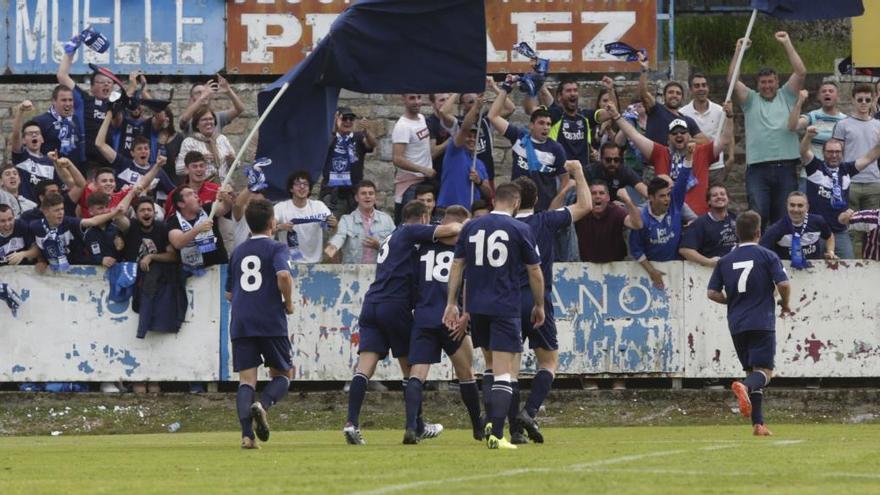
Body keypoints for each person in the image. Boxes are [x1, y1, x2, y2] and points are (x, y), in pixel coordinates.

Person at [343, 201, 460, 445]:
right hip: (395, 305)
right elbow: (449, 231)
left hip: (371, 303)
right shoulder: (409, 231)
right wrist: (470, 225)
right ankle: (416, 426)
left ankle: (351, 423)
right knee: (411, 369)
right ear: (424, 217)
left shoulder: (392, 237)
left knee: (364, 367)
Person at [443, 183, 545, 450]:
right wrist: (539, 304)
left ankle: (490, 420)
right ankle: (497, 434)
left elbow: (457, 266)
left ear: (493, 200)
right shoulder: (520, 229)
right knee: (504, 372)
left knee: (489, 367)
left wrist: (452, 303)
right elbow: (534, 271)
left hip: (477, 308)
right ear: (515, 202)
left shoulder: (471, 226)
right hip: (504, 307)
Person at [509, 162, 591, 445]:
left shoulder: (502, 226)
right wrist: (578, 173)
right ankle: (529, 412)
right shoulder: (544, 220)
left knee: (509, 368)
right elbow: (585, 206)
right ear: (536, 200)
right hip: (536, 299)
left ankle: (515, 431)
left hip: (507, 300)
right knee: (549, 361)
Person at [707, 210, 792, 437]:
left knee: (752, 371)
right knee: (764, 372)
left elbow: (712, 292)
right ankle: (745, 387)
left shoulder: (725, 261)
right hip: (762, 321)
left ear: (736, 233)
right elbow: (783, 283)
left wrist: (731, 300)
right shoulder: (767, 255)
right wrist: (785, 303)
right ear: (758, 232)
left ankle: (758, 424)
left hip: (737, 323)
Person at [403, 205, 482, 444]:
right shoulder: (464, 251)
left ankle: (410, 428)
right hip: (451, 319)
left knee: (417, 375)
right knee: (466, 373)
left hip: (425, 317)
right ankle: (478, 427)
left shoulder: (423, 247)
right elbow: (469, 285)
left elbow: (412, 283)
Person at [225, 198, 295, 450]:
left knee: (246, 380)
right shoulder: (276, 248)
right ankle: (262, 405)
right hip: (269, 320)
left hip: (241, 320)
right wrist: (288, 302)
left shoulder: (238, 252)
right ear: (271, 223)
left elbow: (230, 294)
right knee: (285, 374)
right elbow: (284, 275)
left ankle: (247, 437)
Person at [728, 32, 807, 228]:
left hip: (785, 166)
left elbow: (801, 72)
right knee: (758, 215)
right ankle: (759, 254)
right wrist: (739, 51)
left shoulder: (787, 95)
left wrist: (787, 43)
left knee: (784, 217)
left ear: (777, 82)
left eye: (771, 81)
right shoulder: (750, 100)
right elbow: (731, 81)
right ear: (757, 84)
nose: (767, 86)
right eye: (763, 82)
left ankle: (781, 257)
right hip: (757, 168)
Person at [612, 102, 735, 216]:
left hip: (698, 217)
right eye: (674, 133)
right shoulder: (660, 153)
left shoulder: (702, 151)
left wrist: (729, 117)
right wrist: (617, 116)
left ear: (689, 136)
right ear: (668, 138)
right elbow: (634, 135)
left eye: (683, 132)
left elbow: (724, 140)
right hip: (668, 218)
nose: (679, 135)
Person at [488, 75, 569, 211]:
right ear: (531, 125)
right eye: (541, 123)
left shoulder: (556, 148)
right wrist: (505, 89)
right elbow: (492, 116)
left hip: (542, 212)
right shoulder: (519, 137)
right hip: (517, 209)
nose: (546, 127)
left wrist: (554, 207)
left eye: (549, 124)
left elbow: (565, 181)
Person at [800, 127, 880, 259]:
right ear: (823, 152)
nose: (834, 155)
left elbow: (869, 158)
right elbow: (803, 151)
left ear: (842, 153)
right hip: (816, 231)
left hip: (840, 230)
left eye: (837, 152)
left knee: (848, 265)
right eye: (830, 152)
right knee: (813, 268)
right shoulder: (815, 167)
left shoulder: (846, 169)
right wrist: (808, 136)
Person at [118, 197, 182, 344]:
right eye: (142, 210)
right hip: (131, 276)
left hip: (153, 278)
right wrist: (133, 193)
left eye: (149, 210)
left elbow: (173, 256)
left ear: (154, 212)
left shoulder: (162, 228)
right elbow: (118, 215)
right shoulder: (130, 226)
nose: (146, 213)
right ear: (136, 213)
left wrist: (152, 256)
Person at [629, 146, 694, 289]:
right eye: (662, 196)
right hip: (650, 272)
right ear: (651, 198)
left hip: (678, 267)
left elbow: (683, 178)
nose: (667, 199)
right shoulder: (642, 218)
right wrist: (652, 271)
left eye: (668, 195)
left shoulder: (675, 205)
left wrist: (689, 156)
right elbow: (636, 250)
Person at [832, 84, 880, 258]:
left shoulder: (878, 124)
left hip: (874, 182)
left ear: (873, 100)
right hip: (849, 183)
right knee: (850, 230)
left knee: (873, 231)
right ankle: (850, 269)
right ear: (852, 100)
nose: (863, 103)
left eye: (867, 99)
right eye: (860, 99)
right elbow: (835, 155)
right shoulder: (843, 124)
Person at [29, 192, 126, 274]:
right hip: (51, 273)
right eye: (56, 210)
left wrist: (114, 213)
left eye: (62, 209)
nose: (61, 213)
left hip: (74, 271)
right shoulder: (35, 226)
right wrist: (41, 260)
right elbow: (36, 245)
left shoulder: (69, 222)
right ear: (45, 212)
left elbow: (93, 222)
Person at [96, 110, 175, 203]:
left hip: (147, 210)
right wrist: (109, 113)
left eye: (146, 149)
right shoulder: (123, 163)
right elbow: (100, 144)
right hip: (123, 207)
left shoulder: (157, 170)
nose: (143, 151)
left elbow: (174, 192)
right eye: (139, 149)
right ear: (132, 153)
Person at [57, 47, 115, 167]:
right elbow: (62, 76)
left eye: (109, 82)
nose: (106, 84)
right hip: (85, 162)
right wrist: (71, 51)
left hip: (109, 164)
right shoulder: (84, 99)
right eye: (101, 82)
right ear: (92, 87)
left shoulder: (116, 105)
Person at [788, 83, 847, 191]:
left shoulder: (845, 121)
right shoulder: (813, 116)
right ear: (819, 97)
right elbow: (793, 126)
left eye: (831, 91)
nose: (827, 93)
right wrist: (799, 102)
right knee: (804, 208)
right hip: (810, 176)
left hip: (834, 177)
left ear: (838, 96)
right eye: (823, 91)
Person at [637, 53, 706, 145]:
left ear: (682, 98)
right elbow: (643, 93)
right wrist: (644, 70)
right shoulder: (656, 110)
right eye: (670, 92)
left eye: (678, 93)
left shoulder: (688, 121)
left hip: (675, 159)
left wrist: (688, 140)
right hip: (654, 158)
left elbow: (705, 142)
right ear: (663, 96)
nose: (674, 95)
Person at [320, 107, 376, 219]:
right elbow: (323, 148)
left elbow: (371, 144)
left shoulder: (358, 137)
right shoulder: (329, 137)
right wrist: (335, 129)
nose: (348, 121)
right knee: (332, 229)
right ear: (337, 120)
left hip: (354, 193)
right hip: (333, 193)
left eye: (351, 119)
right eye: (344, 118)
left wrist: (367, 132)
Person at [435, 96, 491, 209]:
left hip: (469, 213)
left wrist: (479, 181)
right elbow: (465, 129)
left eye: (475, 137)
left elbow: (489, 193)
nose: (472, 139)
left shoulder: (479, 163)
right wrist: (476, 107)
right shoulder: (455, 150)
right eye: (469, 136)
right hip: (449, 209)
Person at [681, 73, 734, 185]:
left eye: (704, 85)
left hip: (716, 166)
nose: (701, 89)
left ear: (708, 88)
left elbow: (728, 134)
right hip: (693, 166)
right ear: (690, 89)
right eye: (697, 86)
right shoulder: (682, 113)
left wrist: (731, 156)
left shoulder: (720, 111)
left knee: (716, 200)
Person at [324, 181, 395, 264]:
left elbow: (396, 247)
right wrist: (330, 251)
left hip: (380, 273)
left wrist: (379, 246)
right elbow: (338, 238)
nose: (367, 196)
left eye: (371, 193)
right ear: (356, 198)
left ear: (375, 197)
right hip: (353, 273)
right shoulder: (346, 220)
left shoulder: (386, 219)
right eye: (363, 193)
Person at [274, 171, 336, 264]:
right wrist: (280, 227)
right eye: (298, 184)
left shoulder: (319, 206)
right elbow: (267, 229)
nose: (302, 187)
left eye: (305, 184)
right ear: (291, 189)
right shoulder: (280, 207)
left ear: (309, 189)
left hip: (315, 263)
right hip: (289, 263)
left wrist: (335, 225)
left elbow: (333, 229)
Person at [167, 185, 231, 275]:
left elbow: (225, 208)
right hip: (192, 273)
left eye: (195, 193)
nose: (196, 195)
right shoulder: (173, 221)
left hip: (219, 267)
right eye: (190, 194)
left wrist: (226, 197)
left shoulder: (207, 209)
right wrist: (198, 229)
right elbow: (178, 243)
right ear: (181, 204)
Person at [391, 94, 435, 224]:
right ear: (403, 99)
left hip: (424, 181)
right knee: (410, 225)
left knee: (425, 222)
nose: (416, 102)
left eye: (419, 97)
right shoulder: (402, 126)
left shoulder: (421, 118)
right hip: (410, 185)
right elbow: (397, 158)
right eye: (412, 98)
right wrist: (423, 169)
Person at [760, 191, 835, 266]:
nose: (795, 210)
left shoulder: (818, 221)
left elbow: (829, 236)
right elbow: (761, 251)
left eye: (800, 206)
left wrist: (830, 251)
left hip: (814, 270)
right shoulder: (777, 228)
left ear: (807, 207)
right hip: (788, 273)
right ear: (787, 206)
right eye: (792, 205)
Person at [575, 181, 643, 262]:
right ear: (588, 197)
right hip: (586, 266)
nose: (597, 196)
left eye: (601, 193)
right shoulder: (581, 212)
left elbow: (637, 225)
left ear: (608, 198)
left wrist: (628, 201)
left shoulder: (616, 211)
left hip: (616, 265)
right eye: (593, 193)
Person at [10, 101, 62, 202]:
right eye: (30, 133)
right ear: (24, 140)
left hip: (46, 210)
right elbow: (16, 136)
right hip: (27, 210)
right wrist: (20, 111)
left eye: (37, 133)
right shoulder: (21, 158)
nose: (34, 135)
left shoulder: (51, 162)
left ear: (42, 139)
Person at [679, 184, 738, 267]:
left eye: (722, 194)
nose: (719, 197)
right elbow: (685, 250)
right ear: (709, 201)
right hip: (709, 273)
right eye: (714, 195)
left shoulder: (737, 219)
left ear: (728, 199)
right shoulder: (700, 223)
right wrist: (708, 262)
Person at [175, 108, 236, 179]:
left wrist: (232, 160)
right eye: (204, 120)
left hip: (223, 186)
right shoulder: (189, 142)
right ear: (197, 125)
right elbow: (179, 169)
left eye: (211, 119)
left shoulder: (222, 139)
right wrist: (199, 159)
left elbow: (236, 166)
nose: (208, 122)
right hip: (202, 186)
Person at [178, 75, 246, 137]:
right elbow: (184, 120)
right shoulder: (189, 116)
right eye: (199, 93)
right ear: (192, 98)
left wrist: (229, 91)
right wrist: (202, 98)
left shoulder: (217, 117)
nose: (204, 94)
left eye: (205, 92)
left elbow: (240, 109)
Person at [31, 86, 80, 165]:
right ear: (54, 101)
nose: (68, 104)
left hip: (74, 171)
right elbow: (32, 150)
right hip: (51, 171)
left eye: (70, 100)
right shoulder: (40, 121)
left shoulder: (77, 120)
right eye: (64, 100)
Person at [165, 151, 221, 218]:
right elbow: (168, 221)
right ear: (186, 169)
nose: (199, 169)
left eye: (201, 166)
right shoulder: (175, 194)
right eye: (194, 166)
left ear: (206, 167)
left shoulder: (217, 190)